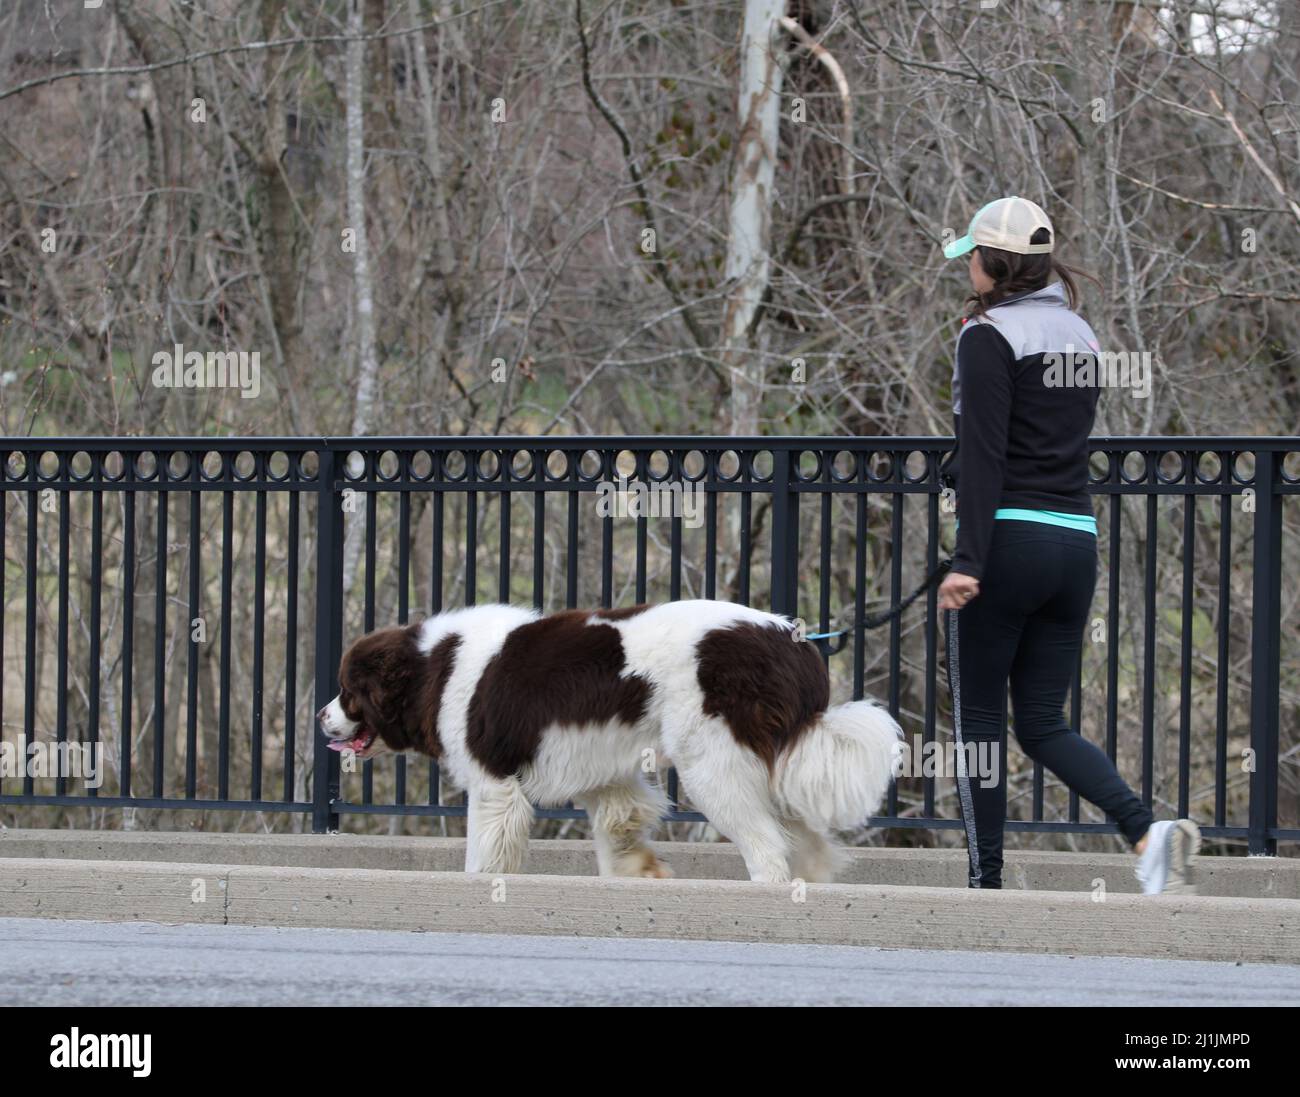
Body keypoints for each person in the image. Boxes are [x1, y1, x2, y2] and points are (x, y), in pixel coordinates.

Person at [937, 196, 1199, 894]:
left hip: (1008, 547)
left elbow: (986, 454)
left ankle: (984, 884)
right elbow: (1051, 439)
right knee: (1044, 721)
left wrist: (967, 562)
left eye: (973, 256)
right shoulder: (1080, 333)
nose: (967, 267)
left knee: (980, 725)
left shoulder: (986, 334)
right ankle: (1147, 831)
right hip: (1074, 543)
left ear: (994, 262)